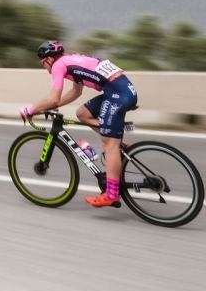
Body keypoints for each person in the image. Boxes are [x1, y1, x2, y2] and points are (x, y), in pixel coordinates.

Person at [20, 40, 139, 209]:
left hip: (118, 93)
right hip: (121, 89)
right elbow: (76, 92)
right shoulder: (71, 60)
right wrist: (51, 106)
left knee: (109, 143)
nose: (44, 68)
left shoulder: (58, 66)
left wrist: (30, 110)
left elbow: (53, 98)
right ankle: (115, 137)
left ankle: (111, 195)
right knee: (82, 113)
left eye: (43, 63)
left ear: (48, 59)